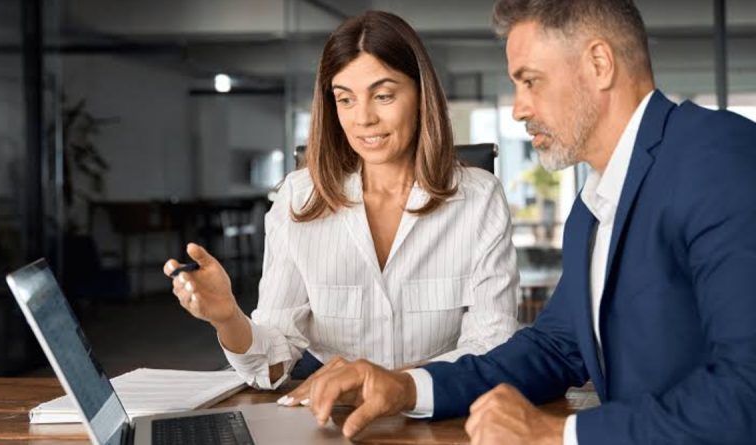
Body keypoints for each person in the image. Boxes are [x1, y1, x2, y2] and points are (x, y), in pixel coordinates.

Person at [304, 1, 756, 443]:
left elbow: (747, 392)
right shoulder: (592, 207)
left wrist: (558, 434)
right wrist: (406, 387)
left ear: (599, 63)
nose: (519, 108)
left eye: (530, 82)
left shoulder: (718, 158)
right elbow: (554, 349)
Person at [163, 10, 519, 397]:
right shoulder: (298, 200)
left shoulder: (479, 199)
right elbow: (272, 364)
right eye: (345, 99)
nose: (363, 118)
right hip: (332, 418)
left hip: (441, 414)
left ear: (421, 96)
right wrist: (228, 317)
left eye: (383, 96)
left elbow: (492, 346)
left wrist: (394, 385)